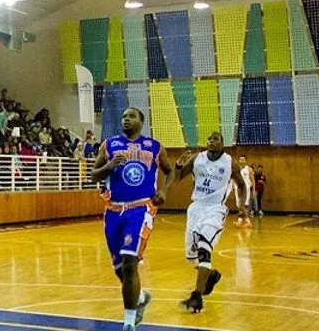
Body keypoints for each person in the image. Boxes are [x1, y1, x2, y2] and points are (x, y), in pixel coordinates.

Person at [90, 108, 175, 331]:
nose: (126, 119)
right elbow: (93, 175)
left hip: (141, 208)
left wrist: (164, 191)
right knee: (120, 268)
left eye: (131, 116)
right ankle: (139, 299)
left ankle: (129, 321)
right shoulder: (109, 145)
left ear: (141, 121)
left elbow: (170, 171)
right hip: (113, 210)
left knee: (130, 263)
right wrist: (109, 166)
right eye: (124, 116)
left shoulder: (154, 146)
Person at [160, 132, 248, 313]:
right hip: (196, 209)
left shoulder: (230, 162)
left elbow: (241, 185)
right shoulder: (197, 158)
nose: (211, 142)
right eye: (209, 139)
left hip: (215, 210)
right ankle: (212, 275)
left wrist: (242, 206)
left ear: (222, 143)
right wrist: (178, 164)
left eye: (215, 139)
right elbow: (177, 178)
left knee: (204, 250)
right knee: (192, 259)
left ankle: (196, 297)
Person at [234, 155, 254, 227]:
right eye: (240, 159)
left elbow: (252, 180)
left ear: (246, 161)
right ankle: (240, 221)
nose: (242, 161)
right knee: (239, 205)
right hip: (237, 188)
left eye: (243, 159)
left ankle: (247, 221)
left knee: (243, 206)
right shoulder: (236, 169)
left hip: (245, 189)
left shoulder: (249, 169)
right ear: (239, 160)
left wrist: (253, 190)